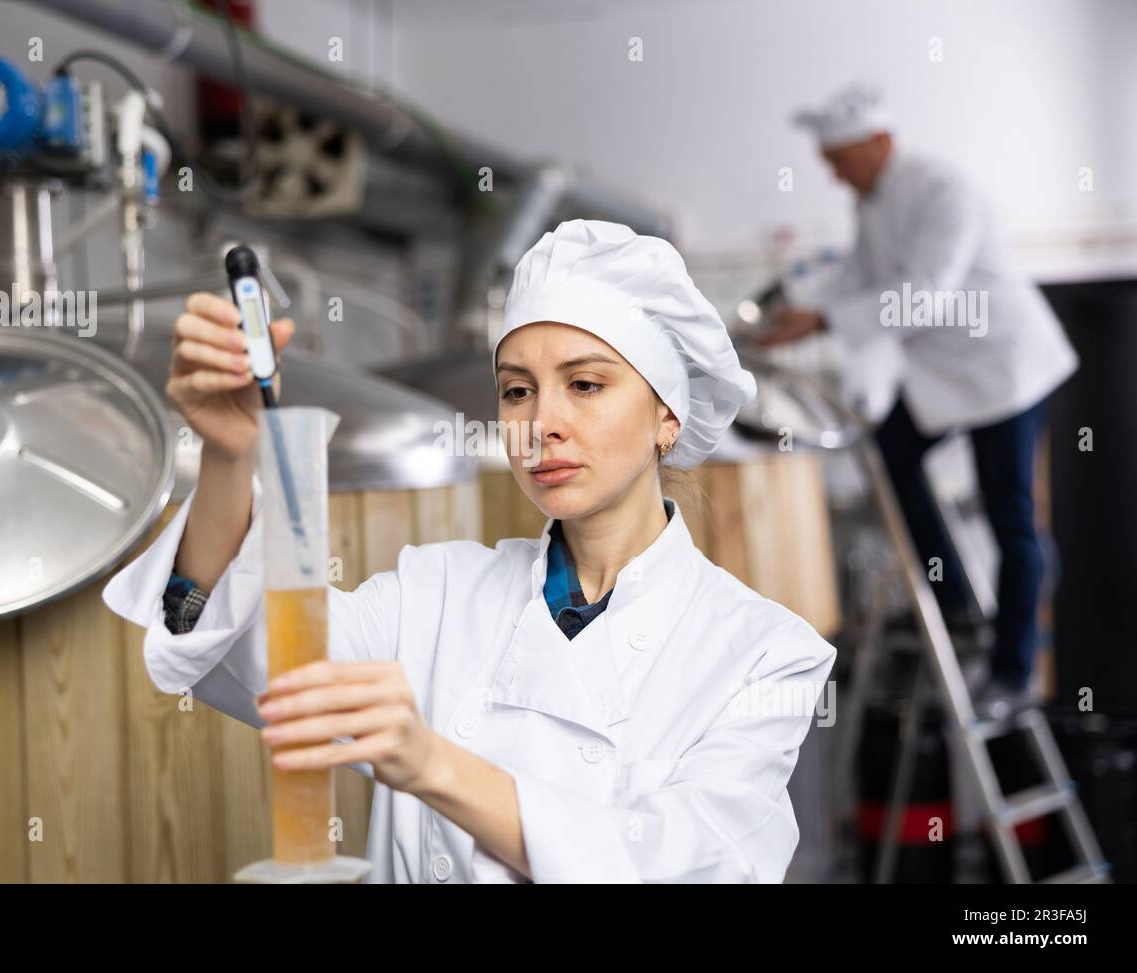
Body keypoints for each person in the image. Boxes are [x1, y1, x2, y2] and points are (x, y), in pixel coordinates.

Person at [103, 219, 837, 883]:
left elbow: (691, 865)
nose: (541, 422)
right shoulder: (437, 591)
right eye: (517, 391)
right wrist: (233, 456)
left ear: (667, 417)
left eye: (584, 384)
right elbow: (234, 645)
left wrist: (431, 762)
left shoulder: (762, 653)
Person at [759, 83, 1079, 722]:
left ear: (880, 142)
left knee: (1009, 517)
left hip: (1004, 371)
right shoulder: (873, 201)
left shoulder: (941, 191)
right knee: (892, 454)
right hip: (945, 376)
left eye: (840, 158)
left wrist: (825, 322)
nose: (833, 172)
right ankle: (954, 600)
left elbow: (923, 295)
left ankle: (1014, 671)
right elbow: (861, 275)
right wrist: (804, 313)